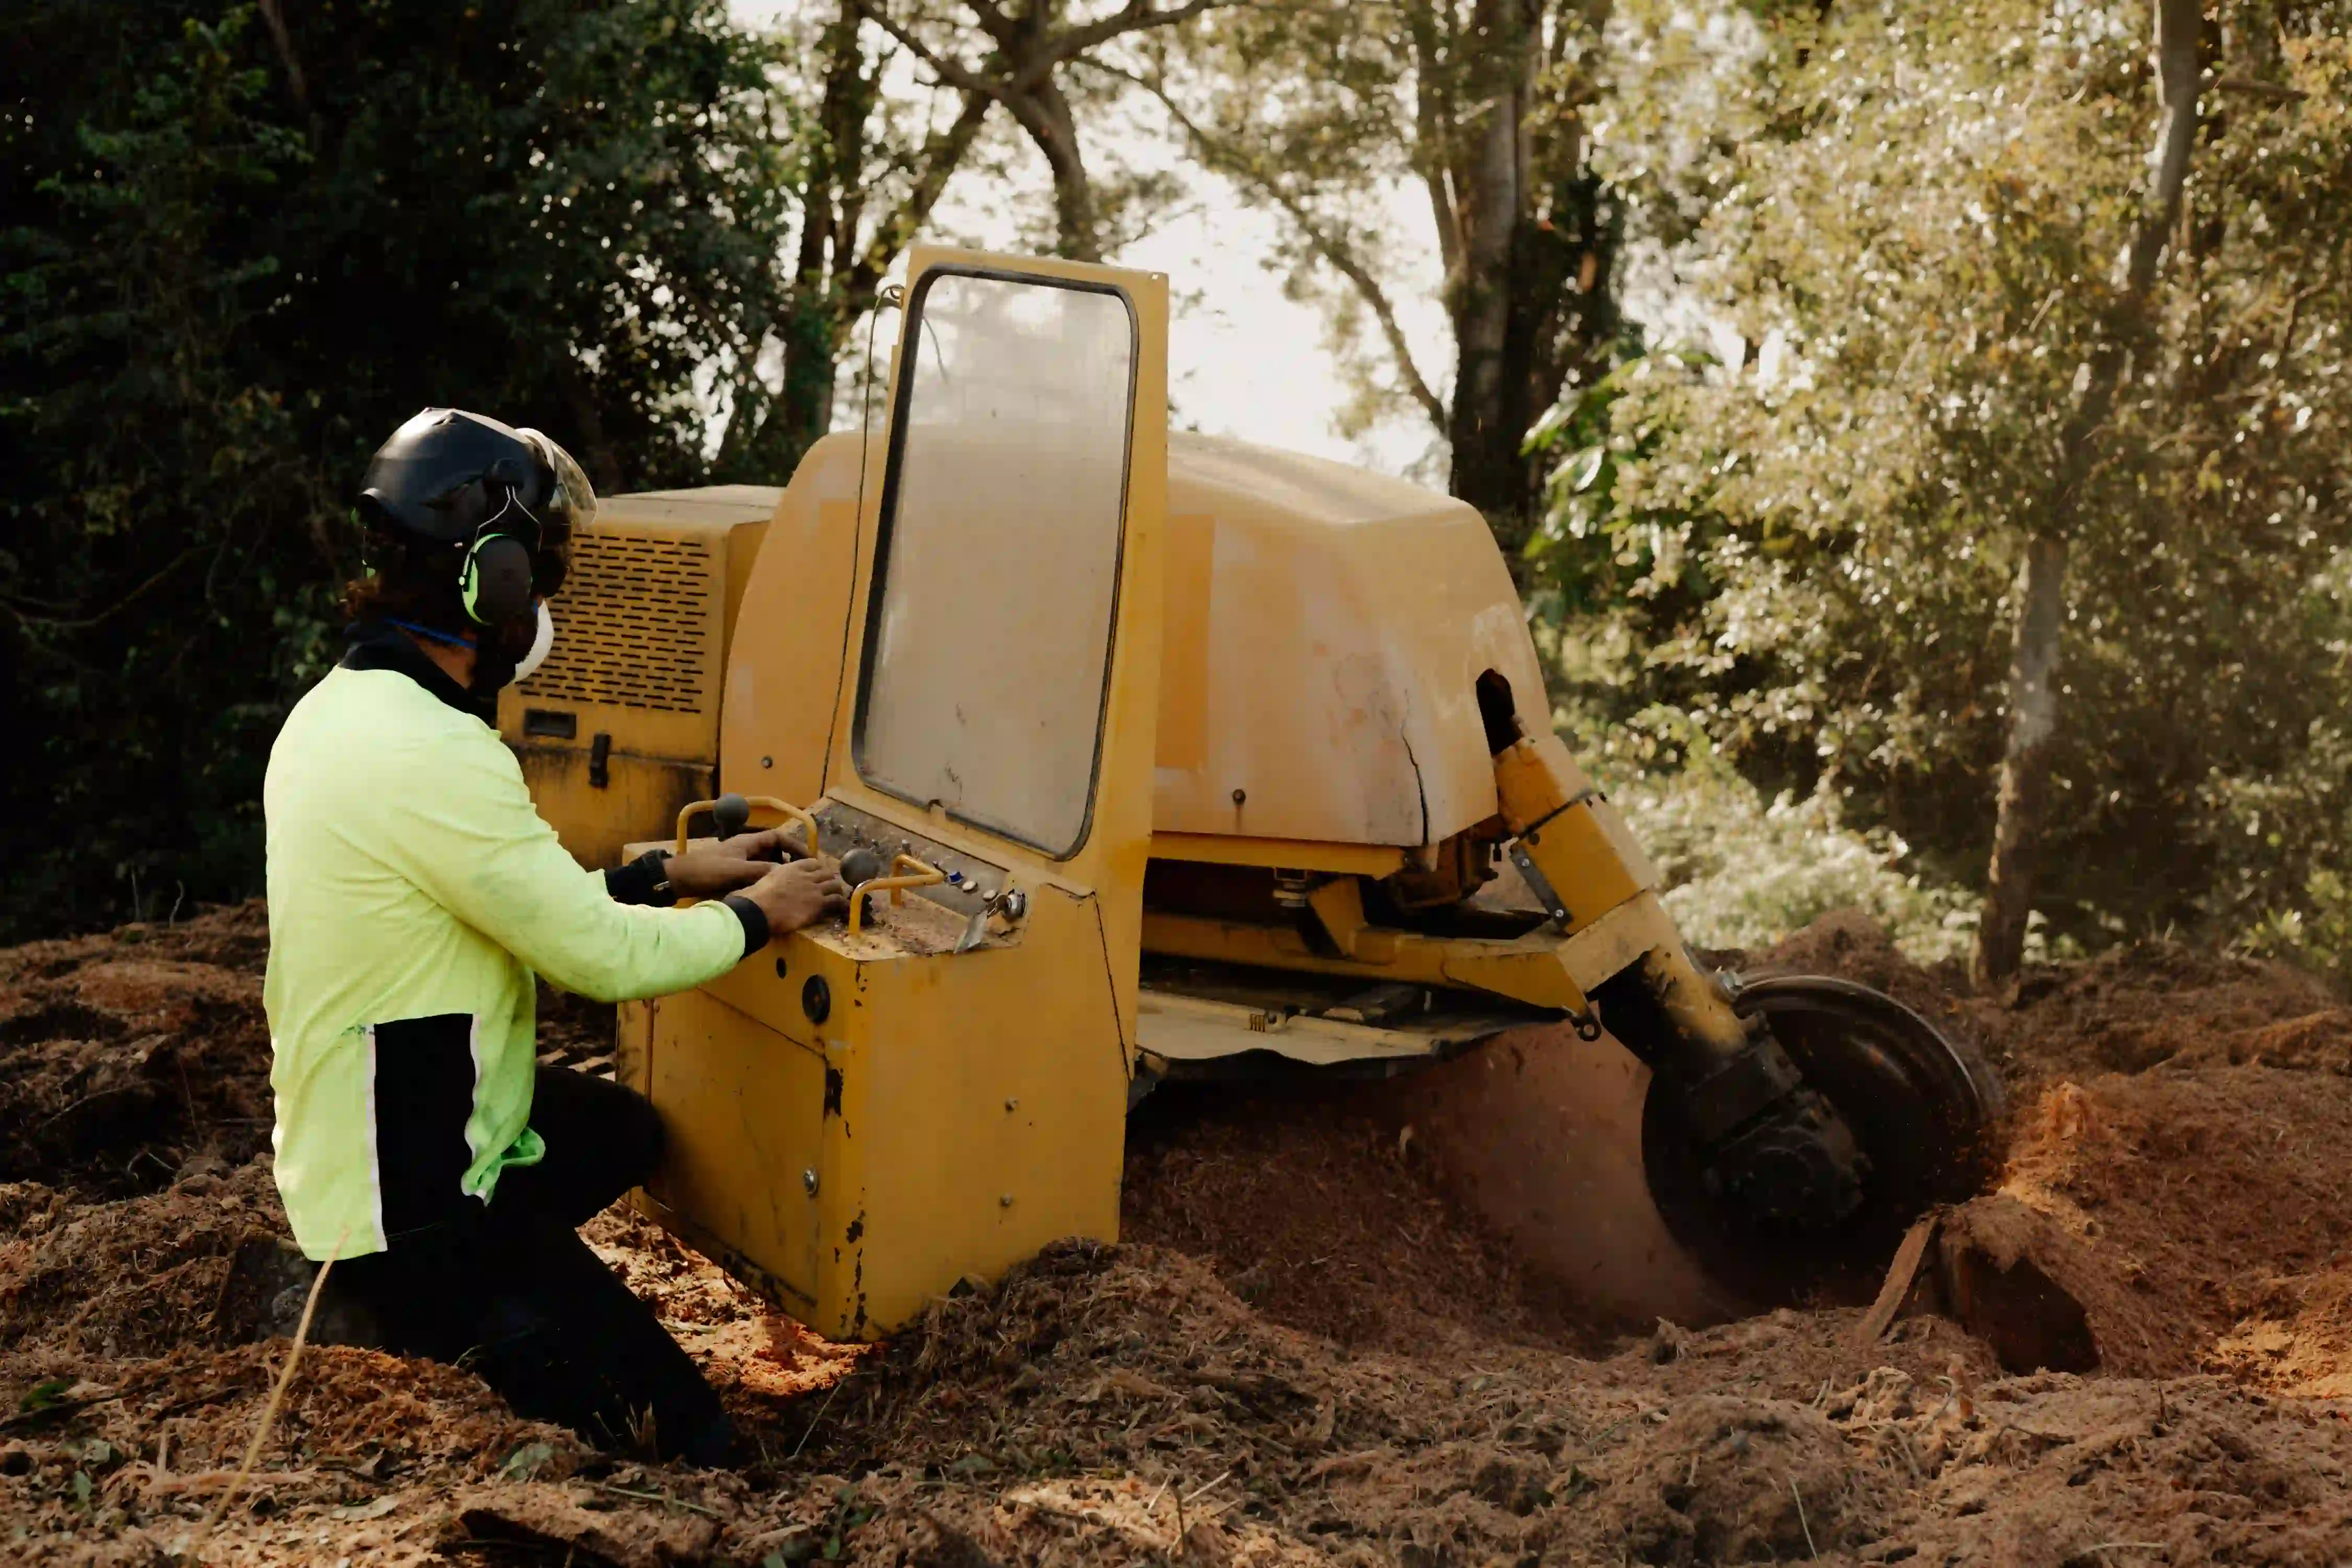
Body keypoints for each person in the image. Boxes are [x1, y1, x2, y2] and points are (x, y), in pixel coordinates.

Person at [262, 408, 847, 1465]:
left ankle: (501, 1294)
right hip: (416, 1206)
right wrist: (766, 911)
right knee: (702, 1442)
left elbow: (503, 896)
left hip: (365, 1138)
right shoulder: (432, 752)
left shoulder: (342, 712)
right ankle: (443, 1319)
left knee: (621, 1132)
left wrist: (665, 871)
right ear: (495, 582)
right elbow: (600, 960)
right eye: (543, 567)